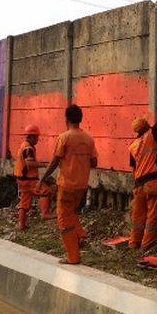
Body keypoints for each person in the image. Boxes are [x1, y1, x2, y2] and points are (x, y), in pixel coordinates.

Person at [37, 104, 97, 265]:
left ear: (67, 119)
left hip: (67, 185)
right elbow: (94, 162)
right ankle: (80, 235)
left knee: (64, 219)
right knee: (72, 213)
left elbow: (55, 161)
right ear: (80, 119)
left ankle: (73, 256)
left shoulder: (64, 138)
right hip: (82, 186)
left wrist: (43, 178)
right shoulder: (89, 139)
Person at [127, 84, 157, 251]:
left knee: (137, 216)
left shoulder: (132, 146)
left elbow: (133, 169)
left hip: (138, 185)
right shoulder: (151, 136)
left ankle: (133, 243)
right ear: (146, 127)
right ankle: (146, 247)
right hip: (152, 182)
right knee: (153, 215)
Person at [14, 124, 52, 230]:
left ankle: (21, 225)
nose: (37, 139)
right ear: (31, 136)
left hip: (21, 179)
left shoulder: (24, 145)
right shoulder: (28, 148)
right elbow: (29, 164)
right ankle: (45, 213)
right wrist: (44, 165)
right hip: (29, 179)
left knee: (24, 202)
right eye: (36, 137)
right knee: (45, 191)